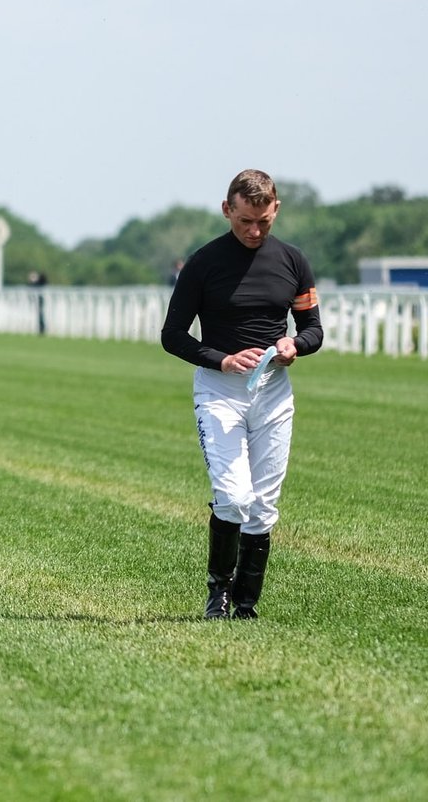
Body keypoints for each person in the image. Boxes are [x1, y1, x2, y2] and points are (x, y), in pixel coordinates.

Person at [160, 169, 322, 620]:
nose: (253, 231)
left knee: (263, 505)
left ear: (276, 210)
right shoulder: (203, 263)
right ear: (226, 209)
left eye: (263, 222)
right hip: (220, 391)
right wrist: (223, 360)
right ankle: (219, 595)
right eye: (245, 221)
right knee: (233, 497)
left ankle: (246, 605)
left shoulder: (293, 261)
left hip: (273, 394)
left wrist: (295, 345)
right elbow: (172, 335)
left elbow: (313, 329)